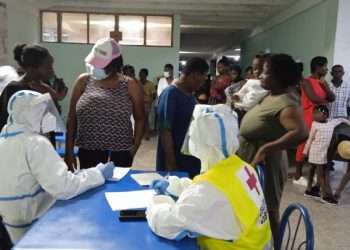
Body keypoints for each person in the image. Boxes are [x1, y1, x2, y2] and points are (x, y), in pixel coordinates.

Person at [147, 104, 272, 249]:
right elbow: (213, 192)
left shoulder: (209, 190)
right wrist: (175, 186)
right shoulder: (241, 167)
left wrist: (155, 204)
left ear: (203, 142)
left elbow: (167, 224)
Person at [0, 90, 115, 243]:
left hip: (11, 222)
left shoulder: (5, 137)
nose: (46, 117)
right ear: (30, 113)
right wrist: (97, 174)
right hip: (34, 223)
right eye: (41, 112)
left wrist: (78, 174)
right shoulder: (34, 143)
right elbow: (64, 187)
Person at [237, 54, 308, 247]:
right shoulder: (272, 93)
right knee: (253, 206)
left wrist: (267, 149)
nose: (259, 75)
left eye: (265, 72)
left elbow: (301, 133)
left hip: (267, 163)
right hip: (252, 155)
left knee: (268, 210)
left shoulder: (287, 102)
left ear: (279, 76)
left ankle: (274, 246)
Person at [65, 38, 145, 171]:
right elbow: (72, 118)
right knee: (91, 189)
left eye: (101, 65)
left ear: (114, 64)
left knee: (117, 190)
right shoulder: (83, 81)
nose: (96, 67)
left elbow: (141, 119)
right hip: (87, 151)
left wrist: (134, 148)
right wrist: (69, 151)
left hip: (119, 154)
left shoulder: (129, 84)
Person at [156, 57, 209, 178]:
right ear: (194, 75)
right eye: (202, 79)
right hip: (175, 159)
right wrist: (171, 162)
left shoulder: (190, 96)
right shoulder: (170, 94)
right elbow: (165, 130)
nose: (202, 84)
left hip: (188, 158)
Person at [294, 56, 335, 183]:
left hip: (321, 117)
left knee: (320, 145)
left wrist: (325, 87)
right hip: (309, 116)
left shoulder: (323, 82)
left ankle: (316, 173)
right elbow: (314, 98)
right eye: (324, 66)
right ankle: (298, 175)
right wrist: (326, 100)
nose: (326, 69)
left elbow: (332, 98)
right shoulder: (306, 81)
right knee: (303, 144)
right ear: (317, 67)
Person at [0, 44, 58, 130]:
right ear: (31, 69)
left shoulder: (45, 88)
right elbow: (5, 121)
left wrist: (54, 97)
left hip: (43, 141)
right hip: (21, 141)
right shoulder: (14, 89)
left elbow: (51, 122)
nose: (52, 70)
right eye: (48, 67)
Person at [303, 105, 350, 205]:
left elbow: (341, 119)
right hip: (316, 152)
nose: (314, 115)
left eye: (316, 113)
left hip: (322, 153)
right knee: (320, 175)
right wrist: (305, 152)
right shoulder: (314, 124)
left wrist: (348, 122)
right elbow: (310, 139)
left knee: (315, 171)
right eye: (313, 113)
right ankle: (325, 195)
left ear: (325, 115)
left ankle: (310, 190)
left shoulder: (331, 123)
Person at [139, 68, 156, 140]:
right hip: (138, 103)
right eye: (140, 74)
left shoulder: (150, 84)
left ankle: (147, 134)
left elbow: (154, 95)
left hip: (147, 104)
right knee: (139, 119)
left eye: (143, 74)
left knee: (145, 119)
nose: (141, 76)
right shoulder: (137, 83)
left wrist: (150, 102)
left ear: (146, 75)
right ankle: (140, 134)